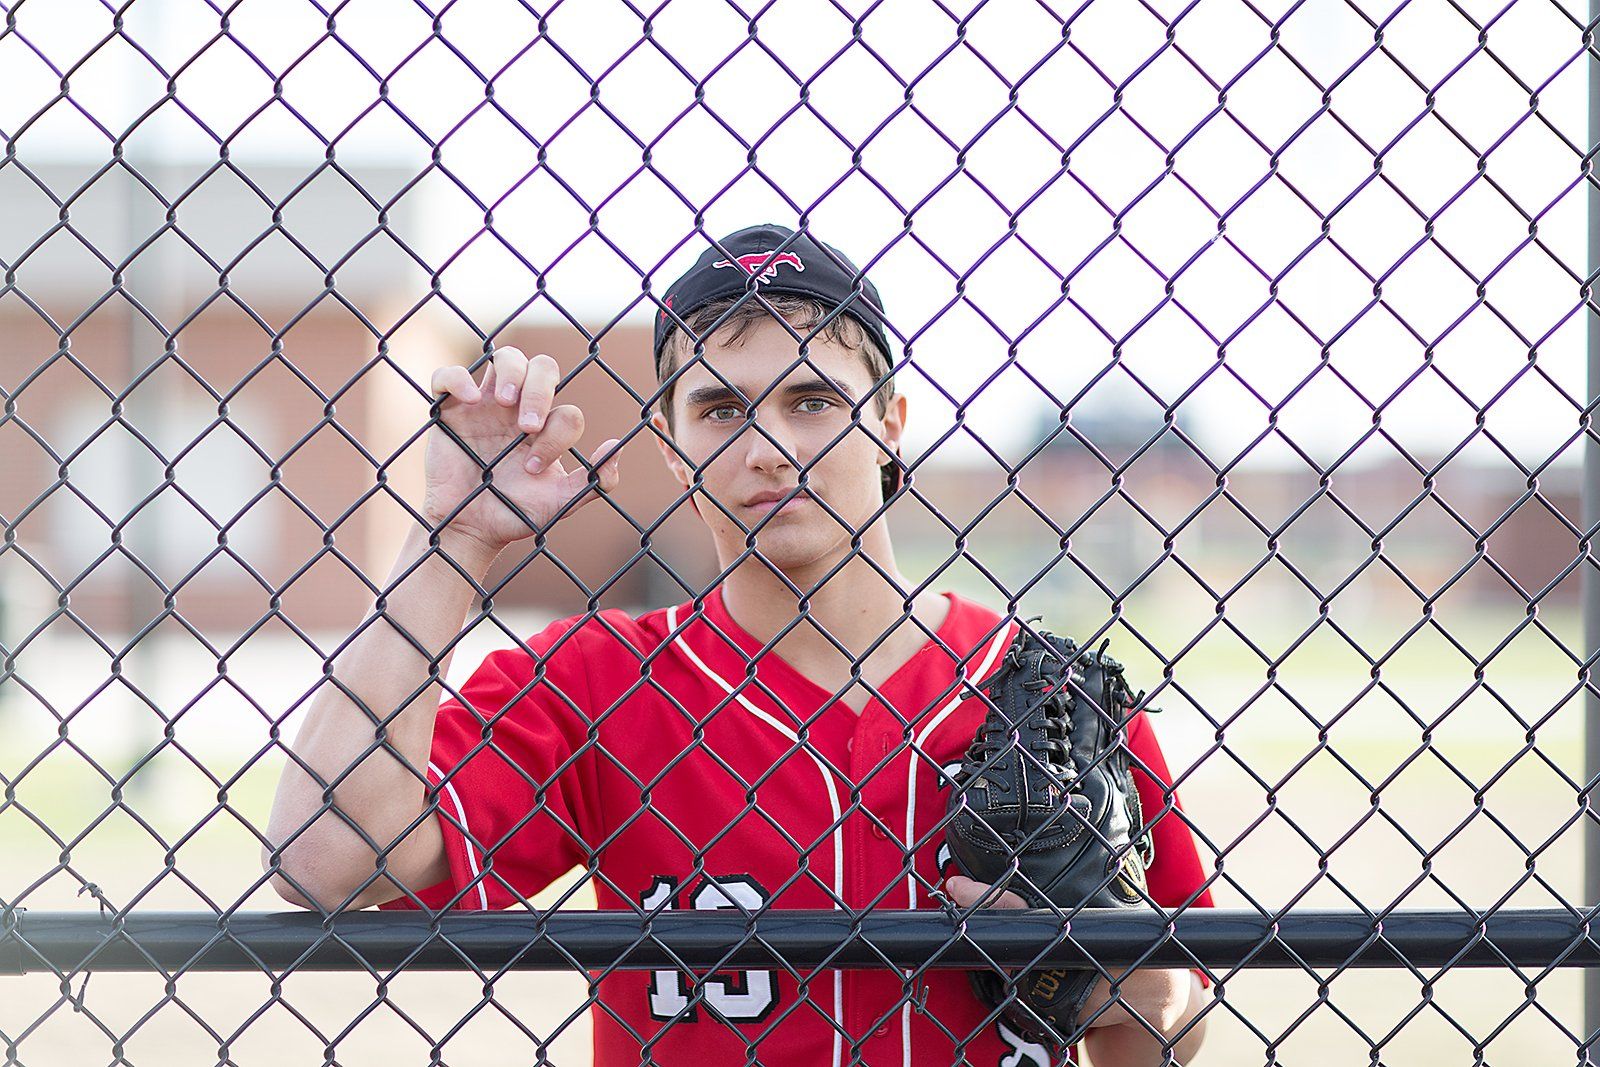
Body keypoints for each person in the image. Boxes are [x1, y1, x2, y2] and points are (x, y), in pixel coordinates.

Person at [264, 224, 1217, 1066]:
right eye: (721, 409)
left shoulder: (1046, 692)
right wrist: (452, 540)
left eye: (812, 399)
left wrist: (1101, 975)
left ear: (889, 423)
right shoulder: (597, 682)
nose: (769, 443)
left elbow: (1170, 1030)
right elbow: (324, 858)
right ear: (674, 448)